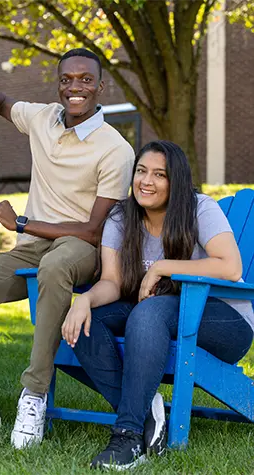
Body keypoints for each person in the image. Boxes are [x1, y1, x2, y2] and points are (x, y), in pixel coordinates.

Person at [0, 48, 135, 448]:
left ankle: (34, 396)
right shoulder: (43, 118)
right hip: (33, 246)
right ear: (59, 84)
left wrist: (21, 222)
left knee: (57, 264)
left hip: (82, 250)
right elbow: (2, 103)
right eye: (66, 80)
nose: (75, 87)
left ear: (100, 87)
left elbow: (94, 231)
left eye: (85, 80)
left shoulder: (116, 149)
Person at [61, 140, 254, 469]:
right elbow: (112, 281)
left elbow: (231, 267)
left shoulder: (199, 208)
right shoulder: (122, 216)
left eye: (159, 175)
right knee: (86, 323)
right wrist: (85, 300)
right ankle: (146, 408)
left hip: (224, 320)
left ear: (175, 180)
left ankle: (127, 436)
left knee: (149, 312)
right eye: (141, 171)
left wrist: (165, 267)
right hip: (154, 312)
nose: (146, 181)